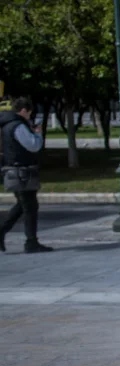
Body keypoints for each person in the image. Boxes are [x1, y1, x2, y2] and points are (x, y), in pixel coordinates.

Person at [0, 98, 51, 253]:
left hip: (13, 170)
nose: (29, 115)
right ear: (23, 110)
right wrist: (38, 135)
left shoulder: (6, 124)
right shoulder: (18, 125)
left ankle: (4, 232)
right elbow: (33, 145)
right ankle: (31, 242)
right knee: (30, 206)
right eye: (29, 112)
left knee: (24, 205)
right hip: (22, 171)